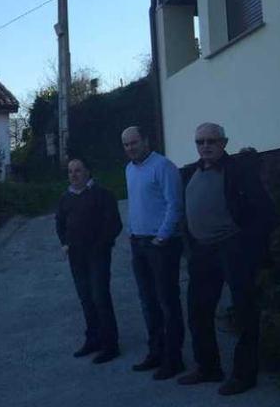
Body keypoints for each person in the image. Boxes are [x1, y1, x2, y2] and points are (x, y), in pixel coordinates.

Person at [177, 123, 279, 395]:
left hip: (232, 250)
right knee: (198, 311)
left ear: (224, 142)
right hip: (202, 252)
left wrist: (246, 244)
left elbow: (266, 212)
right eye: (200, 141)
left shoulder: (239, 171)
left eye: (212, 140)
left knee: (245, 311)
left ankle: (244, 375)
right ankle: (208, 367)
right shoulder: (191, 172)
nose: (206, 146)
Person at [121, 126, 186, 380]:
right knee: (148, 302)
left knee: (167, 303)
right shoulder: (129, 170)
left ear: (146, 140)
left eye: (134, 143)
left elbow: (175, 204)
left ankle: (174, 359)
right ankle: (156, 352)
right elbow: (137, 204)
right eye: (126, 145)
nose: (130, 148)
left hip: (161, 246)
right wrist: (132, 230)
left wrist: (163, 235)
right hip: (139, 243)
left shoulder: (164, 167)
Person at [55, 159, 123, 364]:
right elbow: (60, 223)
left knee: (100, 298)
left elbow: (114, 224)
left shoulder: (102, 195)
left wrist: (101, 246)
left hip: (98, 257)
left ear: (87, 172)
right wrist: (65, 243)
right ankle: (93, 339)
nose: (74, 175)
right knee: (86, 299)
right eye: (70, 172)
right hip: (76, 259)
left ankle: (111, 345)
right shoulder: (65, 198)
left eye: (78, 170)